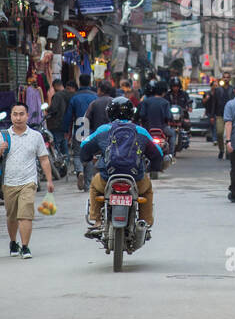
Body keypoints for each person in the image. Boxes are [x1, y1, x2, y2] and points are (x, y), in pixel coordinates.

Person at [81, 96, 164, 232]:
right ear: (132, 113)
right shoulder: (141, 131)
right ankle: (145, 222)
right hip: (136, 180)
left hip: (107, 178)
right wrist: (154, 168)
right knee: (147, 188)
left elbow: (85, 146)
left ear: (109, 113)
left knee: (94, 187)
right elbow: (158, 154)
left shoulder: (103, 130)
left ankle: (96, 221)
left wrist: (86, 158)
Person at [0, 101, 55, 259]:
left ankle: (25, 246)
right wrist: (0, 150)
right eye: (15, 114)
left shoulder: (36, 136)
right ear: (11, 116)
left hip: (29, 181)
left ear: (27, 116)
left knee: (25, 214)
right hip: (9, 182)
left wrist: (49, 180)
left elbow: (44, 159)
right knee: (12, 216)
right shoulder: (3, 135)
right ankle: (13, 242)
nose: (18, 118)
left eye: (21, 114)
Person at [65, 74, 98, 191]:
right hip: (92, 130)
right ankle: (88, 184)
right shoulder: (95, 97)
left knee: (78, 154)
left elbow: (69, 116)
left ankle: (79, 171)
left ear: (79, 83)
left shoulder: (74, 98)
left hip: (79, 127)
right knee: (89, 155)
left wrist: (66, 130)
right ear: (90, 82)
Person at [138, 81, 173, 151]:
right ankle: (171, 155)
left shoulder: (146, 101)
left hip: (147, 129)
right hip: (162, 129)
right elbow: (168, 116)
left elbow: (142, 114)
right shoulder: (166, 102)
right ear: (164, 92)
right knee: (172, 134)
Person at [45, 79, 71, 161]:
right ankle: (66, 162)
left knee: (56, 144)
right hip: (67, 123)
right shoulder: (69, 94)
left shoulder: (57, 96)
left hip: (57, 123)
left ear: (55, 86)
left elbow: (53, 108)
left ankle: (58, 163)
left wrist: (47, 110)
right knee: (64, 143)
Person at [211, 80, 230, 157]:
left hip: (230, 115)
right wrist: (212, 115)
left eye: (227, 78)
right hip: (220, 114)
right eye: (224, 77)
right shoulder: (218, 90)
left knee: (229, 134)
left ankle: (228, 150)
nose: (226, 79)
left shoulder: (232, 89)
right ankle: (221, 149)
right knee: (219, 133)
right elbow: (214, 103)